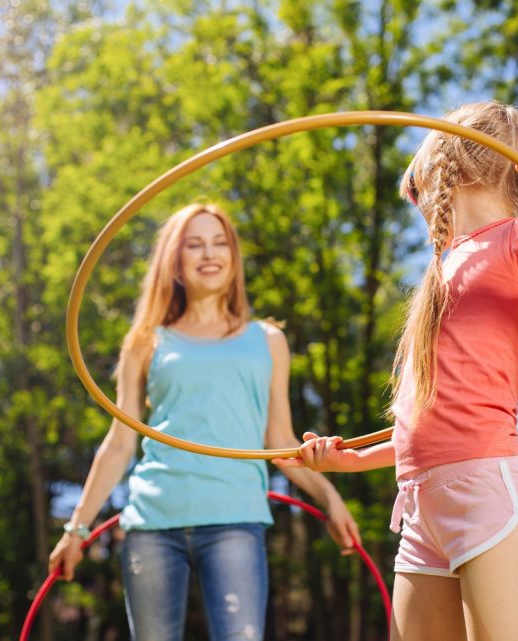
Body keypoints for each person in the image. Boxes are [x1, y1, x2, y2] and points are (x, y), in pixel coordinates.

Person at [275, 101, 518, 641]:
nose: (419, 203)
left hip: (489, 495)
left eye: (415, 188)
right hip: (421, 508)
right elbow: (432, 419)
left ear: (444, 167)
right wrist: (352, 461)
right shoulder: (436, 275)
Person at [49, 203, 361, 641]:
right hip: (153, 523)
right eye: (194, 245)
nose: (208, 254)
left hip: (235, 519)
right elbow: (120, 443)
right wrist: (76, 528)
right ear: (174, 261)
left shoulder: (268, 341)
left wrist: (330, 498)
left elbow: (280, 441)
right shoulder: (145, 341)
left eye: (219, 243)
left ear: (233, 257)